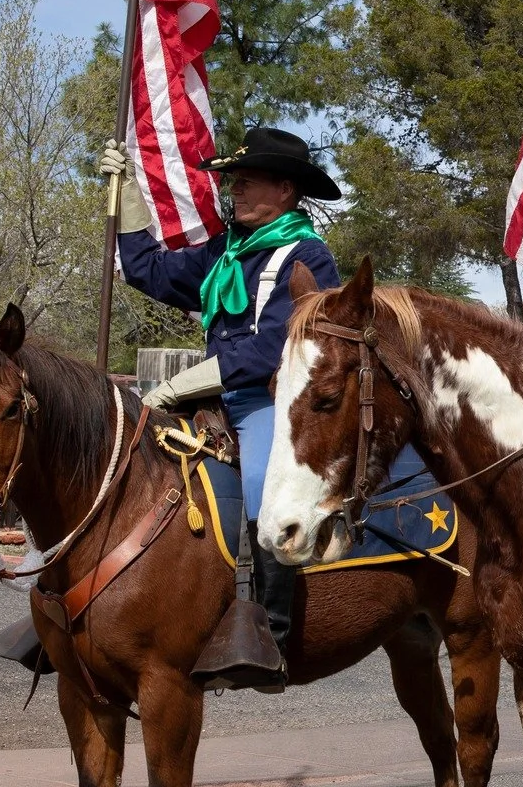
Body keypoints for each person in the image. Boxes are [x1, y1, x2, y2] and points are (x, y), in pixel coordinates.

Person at [100, 127, 342, 689]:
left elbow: (273, 348)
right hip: (212, 399)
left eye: (246, 180)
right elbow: (148, 272)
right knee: (125, 465)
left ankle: (270, 639)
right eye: (232, 180)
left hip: (271, 402)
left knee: (264, 486)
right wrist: (127, 196)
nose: (233, 189)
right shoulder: (223, 253)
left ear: (284, 189)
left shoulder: (309, 257)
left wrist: (184, 383)